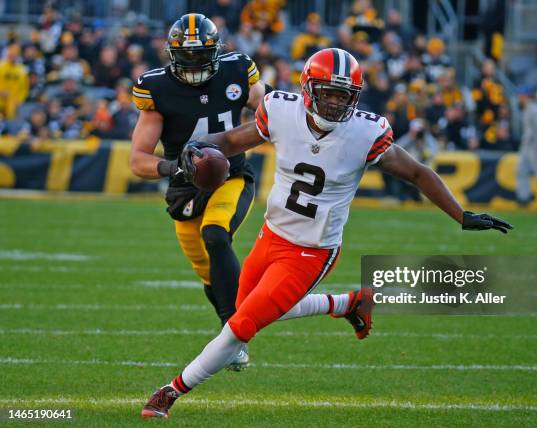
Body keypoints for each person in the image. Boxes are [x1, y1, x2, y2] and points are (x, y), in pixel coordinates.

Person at [140, 48, 513, 418]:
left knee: (239, 328)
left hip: (311, 250)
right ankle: (348, 303)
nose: (335, 103)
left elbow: (417, 172)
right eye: (328, 92)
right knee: (247, 310)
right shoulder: (282, 112)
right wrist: (198, 149)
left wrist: (460, 215)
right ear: (308, 89)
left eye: (343, 94)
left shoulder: (366, 132)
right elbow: (232, 141)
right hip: (272, 234)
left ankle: (170, 392)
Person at [129, 13, 266, 371]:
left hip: (231, 177)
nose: (192, 63)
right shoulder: (157, 88)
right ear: (172, 54)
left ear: (217, 52)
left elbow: (267, 111)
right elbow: (137, 160)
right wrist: (173, 166)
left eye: (200, 55)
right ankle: (230, 327)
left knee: (216, 234)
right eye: (185, 56)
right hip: (184, 188)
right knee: (209, 274)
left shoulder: (238, 70)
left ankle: (234, 336)